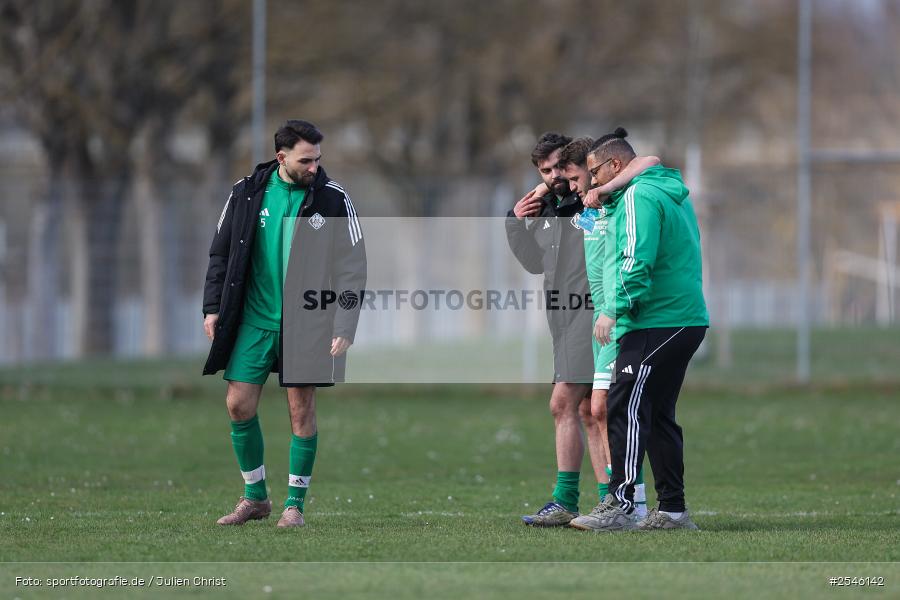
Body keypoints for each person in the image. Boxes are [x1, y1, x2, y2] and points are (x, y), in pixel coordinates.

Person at [202, 120, 366, 528]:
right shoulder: (246, 193)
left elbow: (353, 267)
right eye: (305, 160)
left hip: (309, 320)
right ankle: (255, 497)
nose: (314, 167)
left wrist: (345, 322)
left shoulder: (332, 198)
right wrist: (212, 307)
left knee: (301, 408)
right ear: (282, 158)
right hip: (253, 320)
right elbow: (220, 254)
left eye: (317, 159)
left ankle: (295, 504)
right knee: (238, 405)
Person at [505, 132, 652, 527]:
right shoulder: (550, 207)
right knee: (589, 410)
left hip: (590, 314)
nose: (555, 177)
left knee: (563, 403)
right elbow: (536, 264)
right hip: (563, 317)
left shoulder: (589, 202)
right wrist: (516, 224)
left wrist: (558, 198)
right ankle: (611, 500)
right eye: (545, 170)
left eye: (561, 169)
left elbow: (589, 227)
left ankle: (567, 498)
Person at [584, 128, 709, 532]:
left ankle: (619, 505)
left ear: (615, 165)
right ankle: (672, 510)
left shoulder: (639, 197)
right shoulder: (661, 190)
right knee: (655, 415)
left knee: (625, 403)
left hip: (659, 319)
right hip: (681, 319)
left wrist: (613, 309)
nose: (592, 182)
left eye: (595, 173)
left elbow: (637, 260)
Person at [553, 137, 659, 529]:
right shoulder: (583, 206)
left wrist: (605, 186)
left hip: (621, 317)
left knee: (603, 409)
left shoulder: (618, 195)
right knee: (592, 410)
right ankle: (613, 500)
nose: (574, 187)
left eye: (580, 177)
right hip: (597, 319)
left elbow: (649, 160)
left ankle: (628, 500)